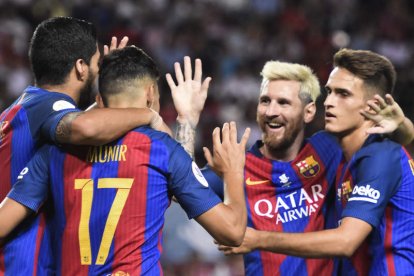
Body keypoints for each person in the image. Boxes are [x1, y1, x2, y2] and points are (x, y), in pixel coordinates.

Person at [0, 46, 250, 275]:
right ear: (151, 95)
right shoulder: (162, 151)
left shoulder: (54, 153)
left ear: (98, 101)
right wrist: (233, 172)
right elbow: (232, 232)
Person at [218, 49, 414, 275]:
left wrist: (257, 239)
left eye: (343, 94)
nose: (329, 102)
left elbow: (345, 242)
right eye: (329, 92)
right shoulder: (341, 155)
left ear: (372, 105)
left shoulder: (380, 156)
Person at [0, 16, 169, 275]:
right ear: (81, 67)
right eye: (97, 63)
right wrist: (148, 115)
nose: (99, 70)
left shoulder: (20, 110)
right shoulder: (50, 108)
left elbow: (76, 122)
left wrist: (111, 96)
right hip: (24, 267)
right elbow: (84, 127)